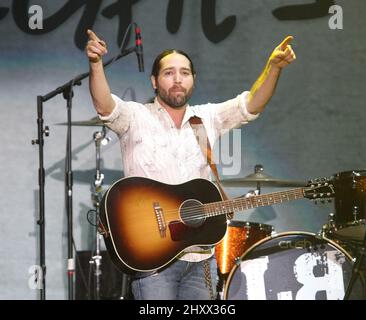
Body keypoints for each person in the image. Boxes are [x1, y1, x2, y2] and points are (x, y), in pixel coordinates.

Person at [86, 29, 296, 300]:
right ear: (154, 81)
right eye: (169, 72)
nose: (177, 79)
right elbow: (105, 106)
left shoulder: (205, 118)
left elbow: (250, 105)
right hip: (153, 261)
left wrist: (273, 68)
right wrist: (95, 64)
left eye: (184, 73)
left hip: (202, 260)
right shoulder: (136, 116)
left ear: (193, 81)